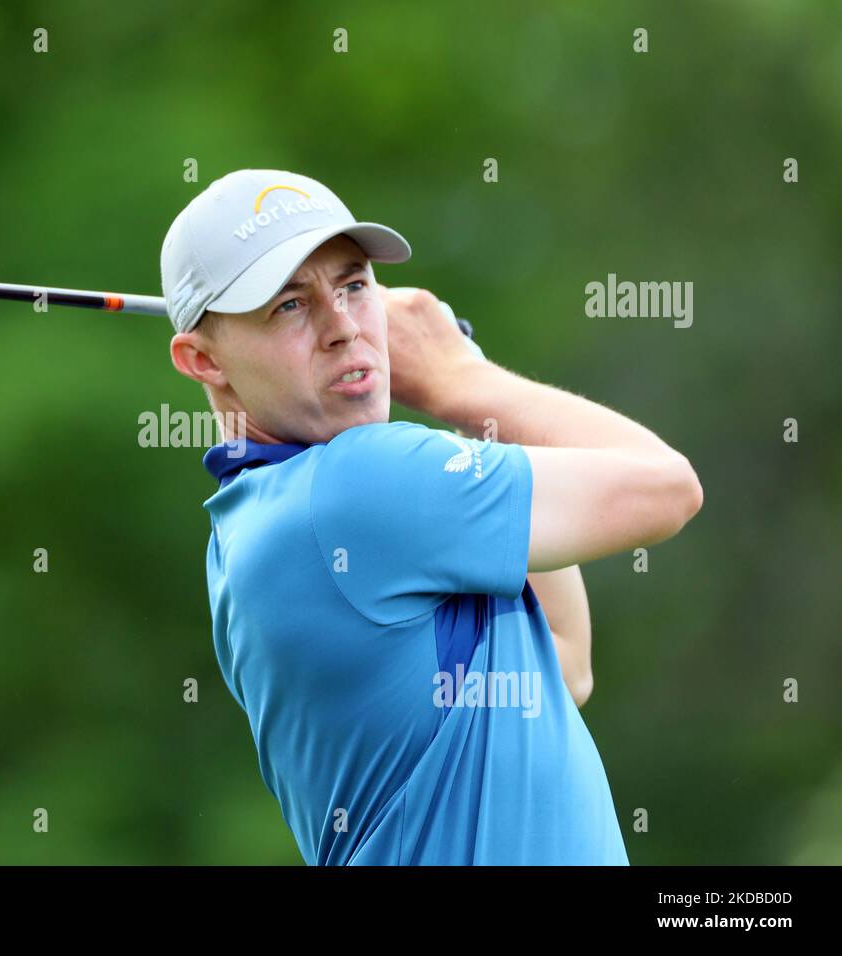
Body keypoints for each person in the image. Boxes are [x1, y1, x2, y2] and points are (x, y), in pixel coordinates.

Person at [160, 169, 703, 865]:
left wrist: (472, 415)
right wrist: (460, 380)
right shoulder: (356, 488)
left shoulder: (256, 523)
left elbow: (563, 664)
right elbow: (666, 487)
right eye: (290, 306)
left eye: (354, 285)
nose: (344, 328)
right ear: (203, 359)